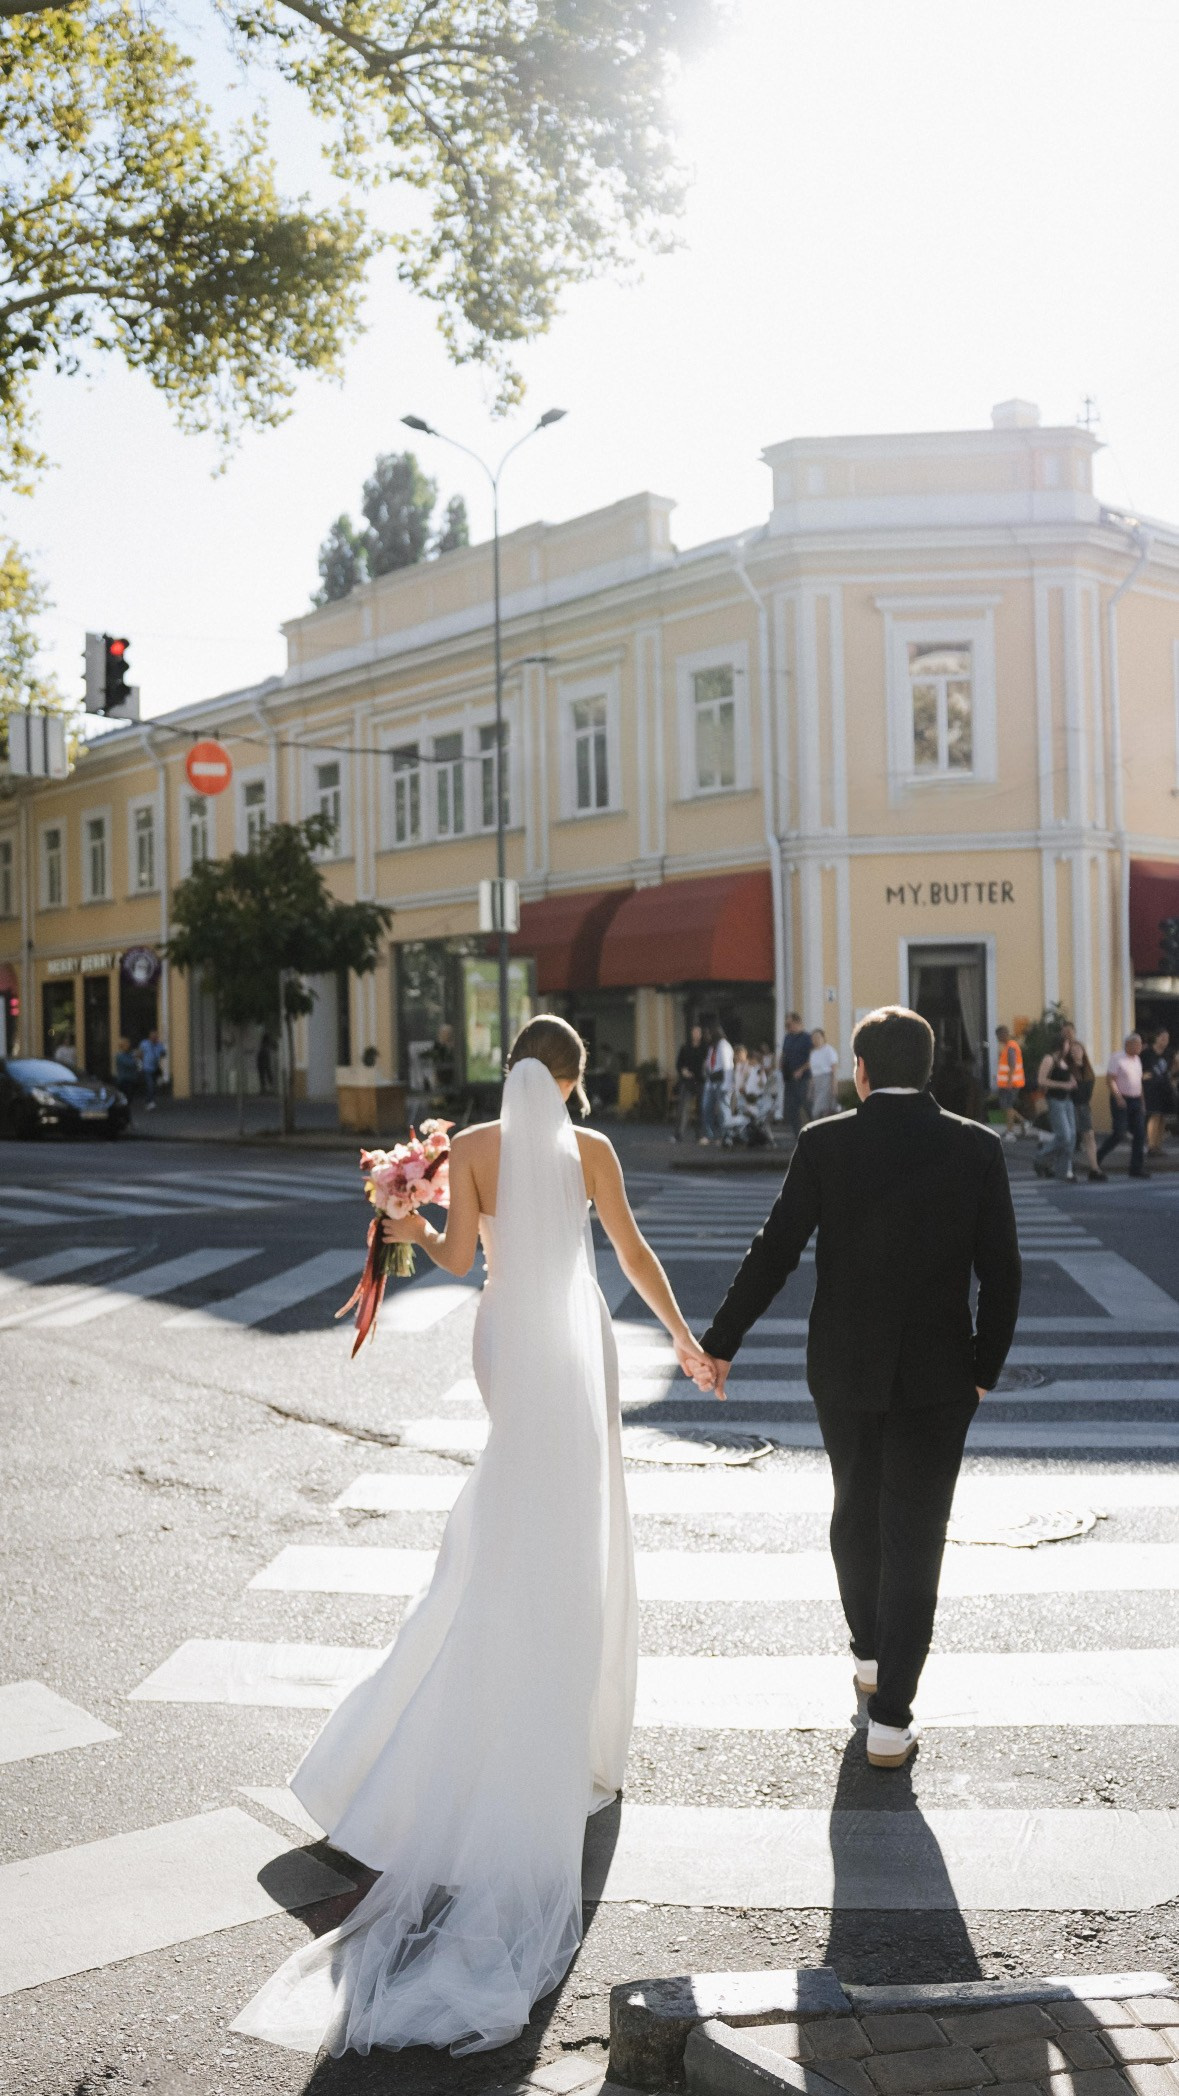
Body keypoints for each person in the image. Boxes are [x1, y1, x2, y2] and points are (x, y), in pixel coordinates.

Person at [234, 1017, 710, 2059]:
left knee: (508, 1496)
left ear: (512, 1070)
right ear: (573, 1077)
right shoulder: (591, 1148)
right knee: (569, 1510)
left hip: (507, 1337)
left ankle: (461, 1675)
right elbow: (630, 1251)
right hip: (574, 1342)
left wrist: (401, 1214)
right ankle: (559, 1686)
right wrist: (683, 1338)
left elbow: (456, 1256)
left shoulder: (475, 1147)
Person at [691, 1006, 1021, 1770]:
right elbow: (1001, 1271)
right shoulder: (976, 1147)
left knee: (853, 1510)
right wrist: (983, 1368)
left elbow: (774, 1249)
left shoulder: (824, 1142)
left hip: (842, 1367)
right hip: (939, 1374)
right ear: (928, 1070)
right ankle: (890, 1722)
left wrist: (720, 1342)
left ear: (860, 1072)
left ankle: (868, 1654)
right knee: (916, 1538)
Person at [1097, 1032, 1148, 1179]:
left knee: (1140, 1133)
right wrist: (1118, 1096)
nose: (1140, 1047)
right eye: (1137, 1044)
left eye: (1140, 1044)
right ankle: (1097, 1158)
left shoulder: (1137, 1060)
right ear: (1128, 1045)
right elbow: (1110, 1080)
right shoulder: (1117, 1058)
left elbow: (1139, 1082)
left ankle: (1136, 1168)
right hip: (1122, 1099)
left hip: (1136, 1099)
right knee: (1119, 1133)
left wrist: (1143, 1102)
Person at [1033, 1033, 1077, 1182]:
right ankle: (1040, 1157)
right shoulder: (1049, 1059)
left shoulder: (1066, 1061)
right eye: (1067, 1043)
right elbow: (1041, 1080)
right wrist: (1063, 1085)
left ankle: (1064, 1171)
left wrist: (1072, 1082)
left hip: (1068, 1100)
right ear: (1061, 1044)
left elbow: (1069, 1077)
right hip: (1055, 1101)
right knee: (1064, 1136)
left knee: (1071, 1137)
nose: (1069, 1047)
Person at [1067, 1037, 1105, 1182]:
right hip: (1072, 1105)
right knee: (1070, 1139)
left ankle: (1094, 1169)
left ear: (1083, 1052)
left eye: (1078, 1050)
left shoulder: (1088, 1069)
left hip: (1084, 1106)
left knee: (1089, 1136)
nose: (1076, 1053)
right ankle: (1067, 1169)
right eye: (1073, 1051)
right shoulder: (1069, 1069)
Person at [699, 1021, 734, 1144]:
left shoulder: (724, 1046)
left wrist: (727, 1085)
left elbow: (727, 1066)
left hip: (722, 1081)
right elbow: (710, 1065)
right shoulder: (712, 1047)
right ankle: (709, 1135)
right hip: (711, 1081)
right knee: (706, 1107)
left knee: (723, 1110)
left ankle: (726, 1136)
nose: (706, 1036)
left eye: (708, 1034)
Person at [779, 1014, 812, 1138]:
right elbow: (784, 1053)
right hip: (789, 1078)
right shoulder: (787, 1037)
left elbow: (812, 1058)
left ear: (797, 1023)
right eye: (786, 1025)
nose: (787, 1027)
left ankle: (817, 1132)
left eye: (789, 1024)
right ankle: (798, 1136)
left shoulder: (807, 1038)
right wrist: (780, 1063)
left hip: (803, 1078)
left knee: (807, 1106)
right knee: (791, 1108)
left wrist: (801, 1070)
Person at [1142, 1029, 1175, 1154]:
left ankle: (1158, 1145)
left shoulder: (1168, 1053)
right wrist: (1141, 1076)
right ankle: (1151, 1145)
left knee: (1163, 1116)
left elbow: (1172, 1066)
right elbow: (1138, 1066)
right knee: (1154, 1114)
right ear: (1156, 1038)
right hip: (1151, 1087)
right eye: (1163, 1038)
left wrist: (1172, 1077)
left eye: (1167, 1039)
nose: (1165, 1041)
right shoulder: (1147, 1053)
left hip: (1165, 1087)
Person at [994, 1026, 1029, 1140]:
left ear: (1003, 1034)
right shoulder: (1009, 1047)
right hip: (1009, 1083)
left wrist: (1009, 1082)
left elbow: (1012, 1065)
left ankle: (1010, 1133)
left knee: (1008, 1107)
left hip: (1010, 1084)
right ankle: (1023, 1122)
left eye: (998, 1036)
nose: (998, 1039)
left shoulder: (1010, 1047)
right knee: (1006, 1107)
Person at [674, 1022, 706, 1142]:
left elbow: (706, 1064)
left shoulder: (705, 1048)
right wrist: (683, 1071)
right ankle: (679, 1135)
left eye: (698, 1032)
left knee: (700, 1109)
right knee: (683, 1108)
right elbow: (679, 1063)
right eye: (694, 1032)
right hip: (687, 1081)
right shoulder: (685, 1047)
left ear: (701, 1034)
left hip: (700, 1081)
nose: (696, 1034)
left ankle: (700, 1135)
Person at [808, 1028, 839, 1118]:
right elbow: (813, 1071)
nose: (816, 1040)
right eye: (814, 1038)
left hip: (826, 1080)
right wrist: (810, 1087)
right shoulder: (813, 1053)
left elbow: (834, 1069)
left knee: (817, 1110)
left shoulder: (829, 1050)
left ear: (823, 1038)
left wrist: (834, 1085)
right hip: (816, 1081)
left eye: (818, 1037)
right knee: (822, 1110)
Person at [138, 1028, 166, 1110]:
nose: (154, 1037)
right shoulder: (144, 1044)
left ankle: (150, 1100)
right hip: (147, 1068)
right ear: (149, 1036)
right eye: (153, 1036)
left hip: (155, 1068)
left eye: (156, 1036)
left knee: (154, 1086)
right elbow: (140, 1054)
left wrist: (161, 1053)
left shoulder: (159, 1045)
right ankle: (149, 1102)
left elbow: (163, 1054)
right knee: (150, 1085)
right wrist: (143, 1062)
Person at [255, 1028, 275, 1094]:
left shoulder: (263, 1047)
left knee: (264, 1076)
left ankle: (265, 1089)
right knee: (267, 1075)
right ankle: (267, 1089)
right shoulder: (265, 1048)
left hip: (262, 1064)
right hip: (264, 1064)